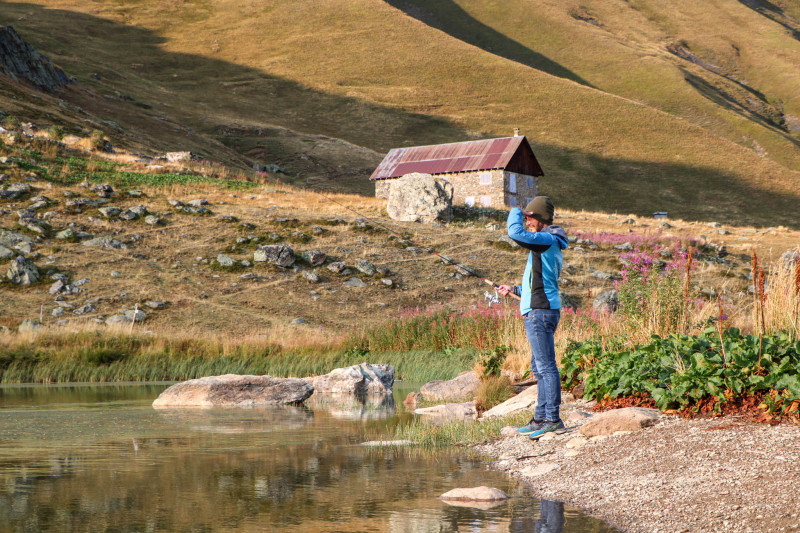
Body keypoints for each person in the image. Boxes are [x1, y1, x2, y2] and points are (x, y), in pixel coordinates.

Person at [497, 196, 568, 440]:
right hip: (540, 308)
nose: (527, 222)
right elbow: (539, 281)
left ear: (540, 218)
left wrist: (516, 211)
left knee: (546, 367)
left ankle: (553, 419)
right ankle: (540, 417)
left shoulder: (546, 239)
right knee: (539, 367)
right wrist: (514, 289)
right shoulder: (547, 243)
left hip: (540, 311)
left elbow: (514, 233)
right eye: (526, 218)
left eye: (530, 218)